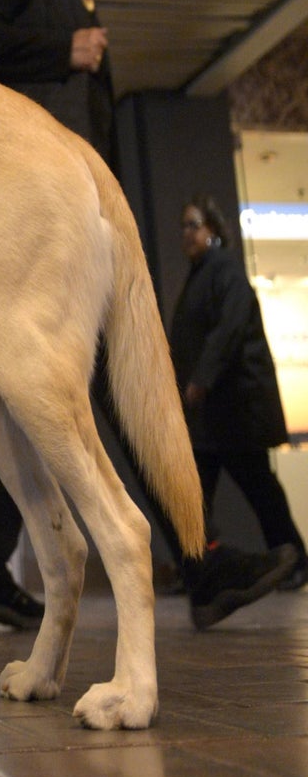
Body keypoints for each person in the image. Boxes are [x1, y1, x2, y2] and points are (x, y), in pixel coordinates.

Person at [0, 0, 295, 630]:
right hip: (26, 201)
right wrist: (65, 49)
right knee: (97, 377)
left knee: (34, 387)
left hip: (65, 209)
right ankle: (199, 559)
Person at [170, 196, 306, 593]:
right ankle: (195, 572)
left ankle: (296, 559)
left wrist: (200, 380)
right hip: (211, 415)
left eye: (193, 224)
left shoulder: (224, 270)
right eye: (183, 227)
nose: (186, 234)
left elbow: (227, 331)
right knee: (195, 496)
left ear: (212, 229)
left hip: (234, 409)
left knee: (259, 487)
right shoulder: (200, 275)